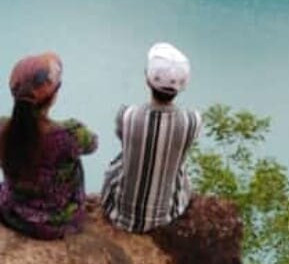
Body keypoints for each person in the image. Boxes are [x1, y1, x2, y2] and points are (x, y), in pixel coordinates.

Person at [101, 42, 201, 233]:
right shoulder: (192, 121)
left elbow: (123, 139)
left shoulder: (127, 115)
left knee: (122, 157)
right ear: (182, 86)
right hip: (166, 215)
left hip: (119, 212)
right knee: (179, 161)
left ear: (147, 80)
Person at [0, 52, 98, 240]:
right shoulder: (70, 134)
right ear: (53, 96)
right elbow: (93, 144)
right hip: (56, 222)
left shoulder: (2, 128)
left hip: (12, 214)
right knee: (73, 160)